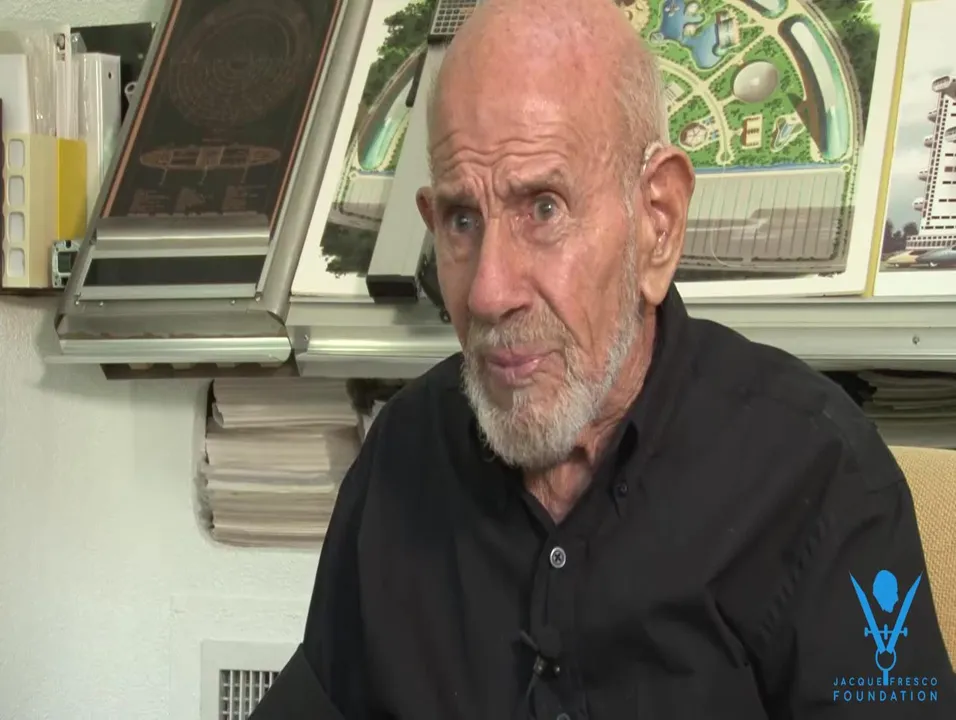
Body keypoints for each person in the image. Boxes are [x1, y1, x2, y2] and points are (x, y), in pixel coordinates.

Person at [251, 0, 955, 717]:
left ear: (658, 222)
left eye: (544, 209)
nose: (489, 292)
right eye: (463, 221)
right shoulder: (399, 460)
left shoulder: (819, 477)